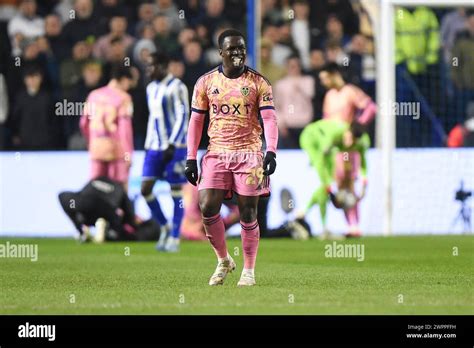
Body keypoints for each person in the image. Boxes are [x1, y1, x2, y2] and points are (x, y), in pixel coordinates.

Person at [184, 29, 278, 286]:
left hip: (250, 155)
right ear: (221, 52)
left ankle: (248, 270)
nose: (237, 53)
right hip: (216, 153)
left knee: (248, 212)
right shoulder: (205, 83)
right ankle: (224, 259)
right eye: (232, 49)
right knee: (207, 207)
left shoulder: (259, 83)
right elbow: (196, 121)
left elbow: (269, 119)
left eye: (241, 48)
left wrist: (270, 151)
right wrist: (191, 157)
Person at [319, 62, 375, 236]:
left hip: (348, 148)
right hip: (334, 149)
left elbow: (371, 108)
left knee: (350, 184)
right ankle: (350, 226)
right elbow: (325, 122)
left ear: (334, 74)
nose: (324, 82)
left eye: (326, 78)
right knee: (340, 188)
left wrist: (356, 129)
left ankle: (355, 225)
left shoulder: (350, 91)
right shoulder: (329, 96)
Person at [141, 52, 189, 253]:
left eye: (153, 66)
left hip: (174, 147)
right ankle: (164, 226)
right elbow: (154, 118)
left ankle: (175, 238)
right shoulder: (151, 88)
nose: (149, 70)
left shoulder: (177, 86)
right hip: (153, 146)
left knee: (176, 191)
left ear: (163, 66)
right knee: (145, 189)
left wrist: (173, 143)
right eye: (148, 67)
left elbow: (183, 114)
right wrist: (148, 142)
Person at [299, 119, 369, 238]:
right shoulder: (334, 136)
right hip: (311, 138)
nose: (350, 143)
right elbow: (321, 162)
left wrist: (364, 182)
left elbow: (363, 163)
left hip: (328, 148)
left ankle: (304, 213)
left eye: (353, 140)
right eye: (349, 137)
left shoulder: (361, 142)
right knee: (326, 184)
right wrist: (329, 189)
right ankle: (320, 225)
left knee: (339, 183)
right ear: (347, 131)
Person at [80, 65, 134, 191]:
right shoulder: (124, 98)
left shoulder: (93, 95)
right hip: (116, 150)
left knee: (95, 187)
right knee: (119, 189)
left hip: (97, 147)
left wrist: (91, 142)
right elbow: (125, 129)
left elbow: (83, 123)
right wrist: (128, 153)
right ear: (124, 79)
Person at [58, 176, 137, 243]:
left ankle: (82, 231)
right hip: (105, 210)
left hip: (84, 206)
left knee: (63, 196)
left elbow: (80, 194)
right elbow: (129, 214)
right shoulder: (119, 188)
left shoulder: (96, 179)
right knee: (115, 223)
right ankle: (106, 229)